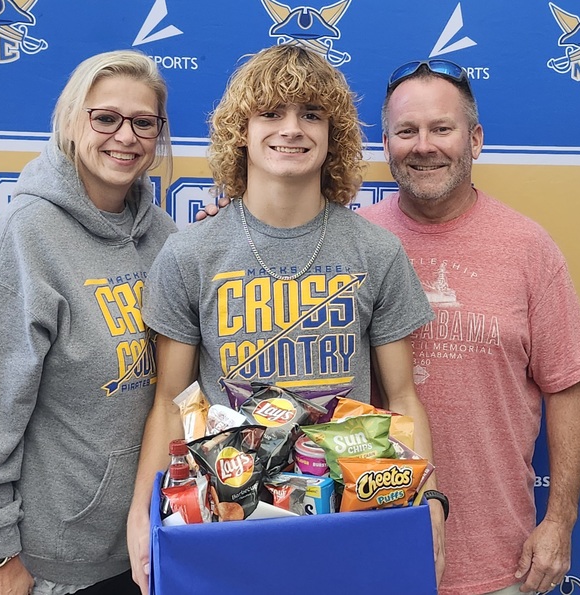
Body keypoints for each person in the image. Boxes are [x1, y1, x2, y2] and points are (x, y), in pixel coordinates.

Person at [127, 44, 445, 594]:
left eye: (311, 115)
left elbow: (403, 398)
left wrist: (429, 501)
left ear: (333, 135)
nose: (292, 129)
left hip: (349, 520)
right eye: (271, 113)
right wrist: (142, 515)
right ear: (241, 132)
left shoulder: (376, 251)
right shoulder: (191, 255)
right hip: (227, 525)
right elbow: (170, 404)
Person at [0, 50, 177, 595]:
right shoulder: (22, 239)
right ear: (70, 122)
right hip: (54, 564)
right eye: (105, 118)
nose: (126, 136)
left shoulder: (165, 238)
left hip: (151, 543)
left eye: (144, 123)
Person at [357, 60, 580, 595]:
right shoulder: (350, 242)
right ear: (386, 144)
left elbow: (567, 386)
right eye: (406, 131)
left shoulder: (528, 248)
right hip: (366, 553)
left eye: (441, 129)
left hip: (499, 562)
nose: (424, 146)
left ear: (475, 140)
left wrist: (559, 521)